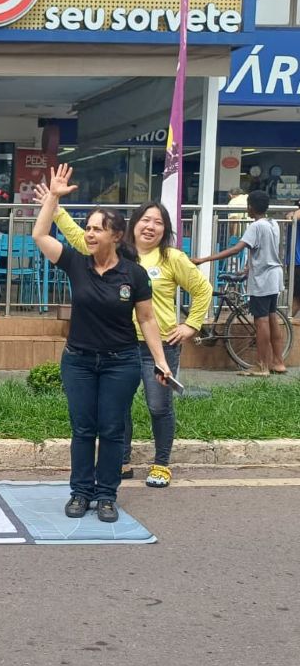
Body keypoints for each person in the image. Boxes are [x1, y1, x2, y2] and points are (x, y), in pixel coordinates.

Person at [38, 186, 213, 489]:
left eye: (158, 222)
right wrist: (54, 205)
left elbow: (199, 292)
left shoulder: (170, 258)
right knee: (117, 411)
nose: (151, 226)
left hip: (157, 344)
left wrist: (191, 325)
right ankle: (122, 461)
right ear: (130, 227)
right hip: (117, 346)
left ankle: (161, 463)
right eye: (146, 220)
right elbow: (80, 236)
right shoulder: (103, 256)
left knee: (158, 407)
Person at [32, 164, 172, 523]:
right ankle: (80, 492)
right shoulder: (76, 263)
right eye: (89, 228)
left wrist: (160, 361)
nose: (90, 234)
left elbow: (147, 320)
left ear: (116, 235)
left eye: (97, 229)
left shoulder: (134, 274)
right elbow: (40, 235)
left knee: (111, 429)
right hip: (78, 361)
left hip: (120, 363)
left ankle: (107, 495)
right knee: (82, 428)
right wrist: (53, 197)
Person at [192, 189, 286, 376]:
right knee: (272, 318)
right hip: (274, 276)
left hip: (263, 279)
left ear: (250, 206)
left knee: (261, 321)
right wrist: (249, 267)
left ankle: (261, 366)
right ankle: (278, 362)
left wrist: (204, 259)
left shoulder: (256, 226)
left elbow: (236, 249)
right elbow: (267, 251)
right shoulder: (273, 223)